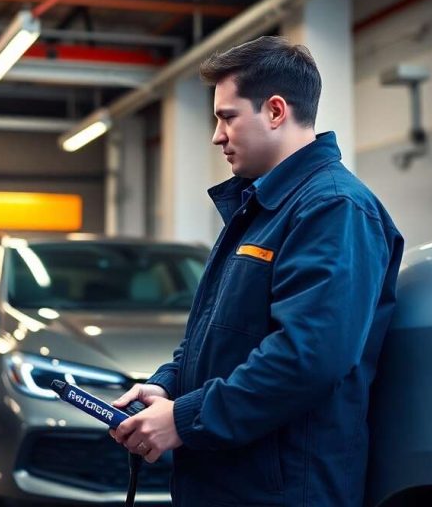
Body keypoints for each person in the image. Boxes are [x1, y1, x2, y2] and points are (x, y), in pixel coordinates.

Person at [110, 36, 404, 506]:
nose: (217, 135)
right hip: (230, 476)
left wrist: (185, 419)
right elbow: (218, 332)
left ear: (274, 111)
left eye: (227, 117)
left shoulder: (333, 207)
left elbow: (309, 356)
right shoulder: (262, 207)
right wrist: (168, 383)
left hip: (285, 488)